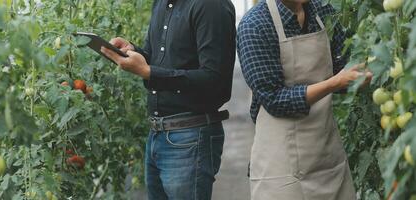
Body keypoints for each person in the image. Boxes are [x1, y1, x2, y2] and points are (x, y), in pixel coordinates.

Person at [100, 0, 236, 199]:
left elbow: (214, 78)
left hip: (191, 135)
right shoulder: (162, 3)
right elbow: (158, 60)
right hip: (157, 133)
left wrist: (148, 72)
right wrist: (133, 51)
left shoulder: (210, 5)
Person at [237, 0, 372, 199]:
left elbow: (341, 66)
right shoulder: (255, 25)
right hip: (282, 168)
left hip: (327, 157)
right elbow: (275, 100)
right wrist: (335, 83)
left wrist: (364, 75)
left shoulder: (322, 10)